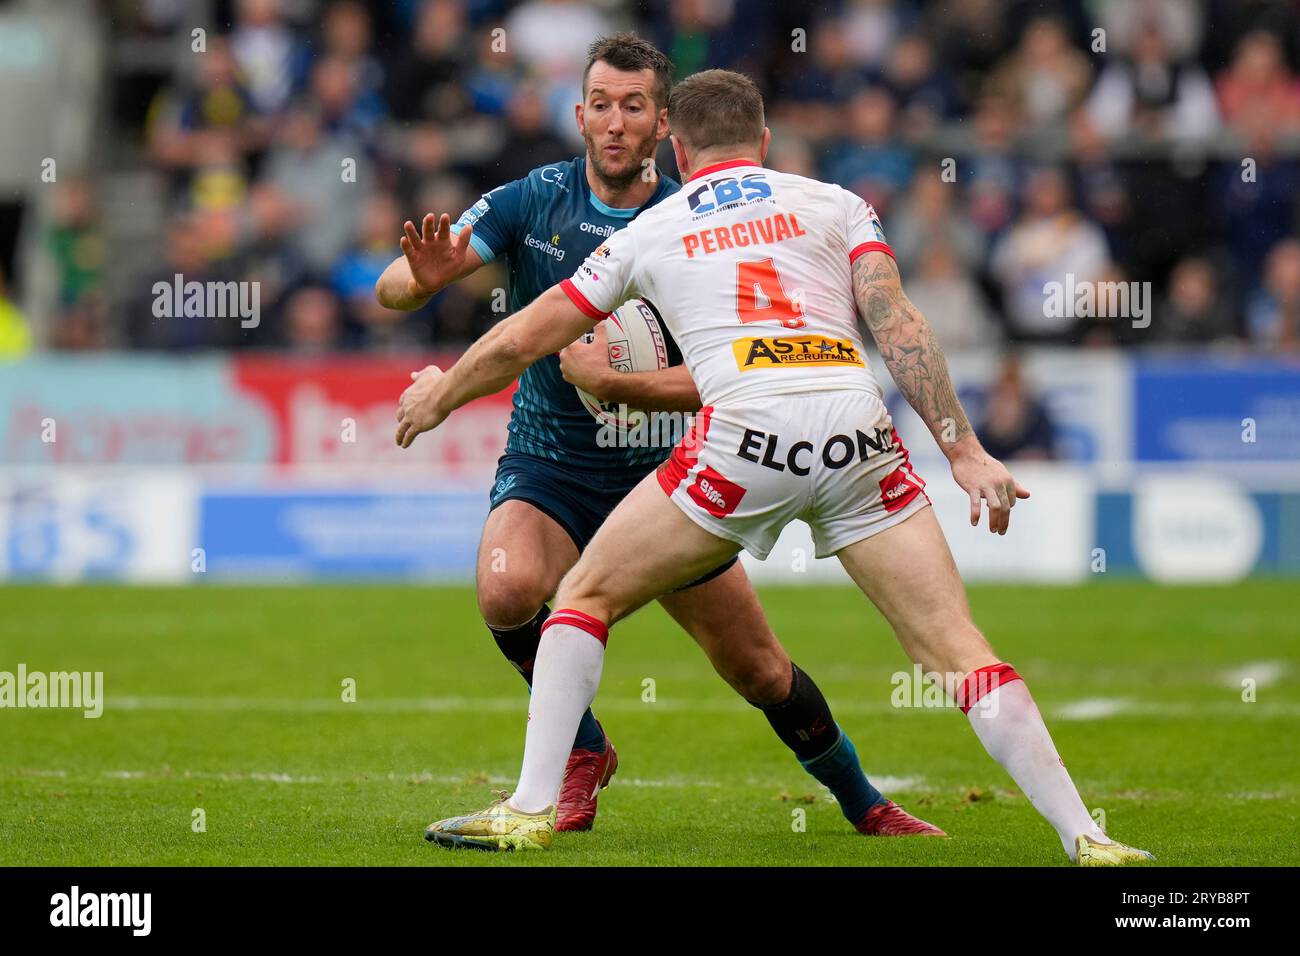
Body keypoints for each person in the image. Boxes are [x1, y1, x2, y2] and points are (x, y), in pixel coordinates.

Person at [401, 69, 1154, 867]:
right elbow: (895, 320)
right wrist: (963, 450)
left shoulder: (649, 231)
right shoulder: (836, 202)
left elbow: (525, 337)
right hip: (855, 426)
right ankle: (1088, 836)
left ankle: (528, 808)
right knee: (956, 648)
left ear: (679, 151)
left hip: (746, 434)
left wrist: (444, 393)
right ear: (763, 143)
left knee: (583, 597)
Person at [376, 35, 938, 838]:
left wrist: (621, 384)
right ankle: (583, 753)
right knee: (507, 589)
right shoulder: (531, 199)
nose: (614, 122)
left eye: (633, 107)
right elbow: (394, 286)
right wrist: (419, 282)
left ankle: (864, 802)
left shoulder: (696, 219)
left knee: (758, 668)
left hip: (671, 473)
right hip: (552, 465)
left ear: (663, 122)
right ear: (579, 114)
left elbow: (738, 372)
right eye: (600, 105)